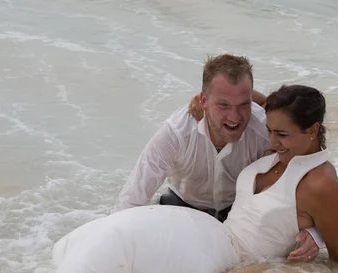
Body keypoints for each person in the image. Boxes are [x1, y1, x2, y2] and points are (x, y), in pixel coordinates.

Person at [52, 84, 338, 273]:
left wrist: (317, 241)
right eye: (269, 132)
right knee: (117, 235)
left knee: (112, 265)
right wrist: (210, 99)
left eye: (282, 135)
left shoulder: (321, 183)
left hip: (233, 266)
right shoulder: (286, 151)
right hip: (208, 231)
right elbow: (250, 95)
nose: (272, 144)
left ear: (313, 130)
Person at [114, 54, 320, 262]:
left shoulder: (264, 130)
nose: (234, 117)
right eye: (223, 105)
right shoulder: (177, 133)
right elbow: (131, 200)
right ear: (203, 100)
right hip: (183, 206)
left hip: (240, 214)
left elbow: (309, 169)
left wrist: (315, 232)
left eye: (243, 105)